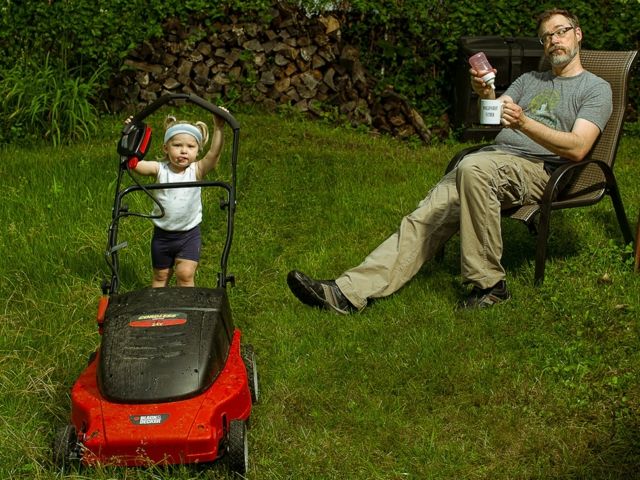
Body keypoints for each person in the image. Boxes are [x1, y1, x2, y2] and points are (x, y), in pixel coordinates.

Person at [286, 8, 612, 313]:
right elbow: (492, 115)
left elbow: (578, 148)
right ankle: (347, 293)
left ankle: (489, 285)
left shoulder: (595, 89)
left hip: (539, 170)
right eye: (546, 36)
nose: (554, 40)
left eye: (561, 31)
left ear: (578, 34)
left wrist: (525, 123)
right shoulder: (530, 81)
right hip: (493, 163)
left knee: (472, 167)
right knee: (426, 215)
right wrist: (484, 93)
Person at [129, 112, 226, 287]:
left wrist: (219, 128)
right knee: (160, 276)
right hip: (162, 236)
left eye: (190, 146)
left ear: (197, 150)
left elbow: (214, 154)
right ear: (166, 148)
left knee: (185, 274)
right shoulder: (160, 169)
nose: (183, 150)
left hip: (188, 234)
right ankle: (158, 310)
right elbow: (136, 165)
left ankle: (187, 308)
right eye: (177, 145)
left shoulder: (196, 170)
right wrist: (129, 134)